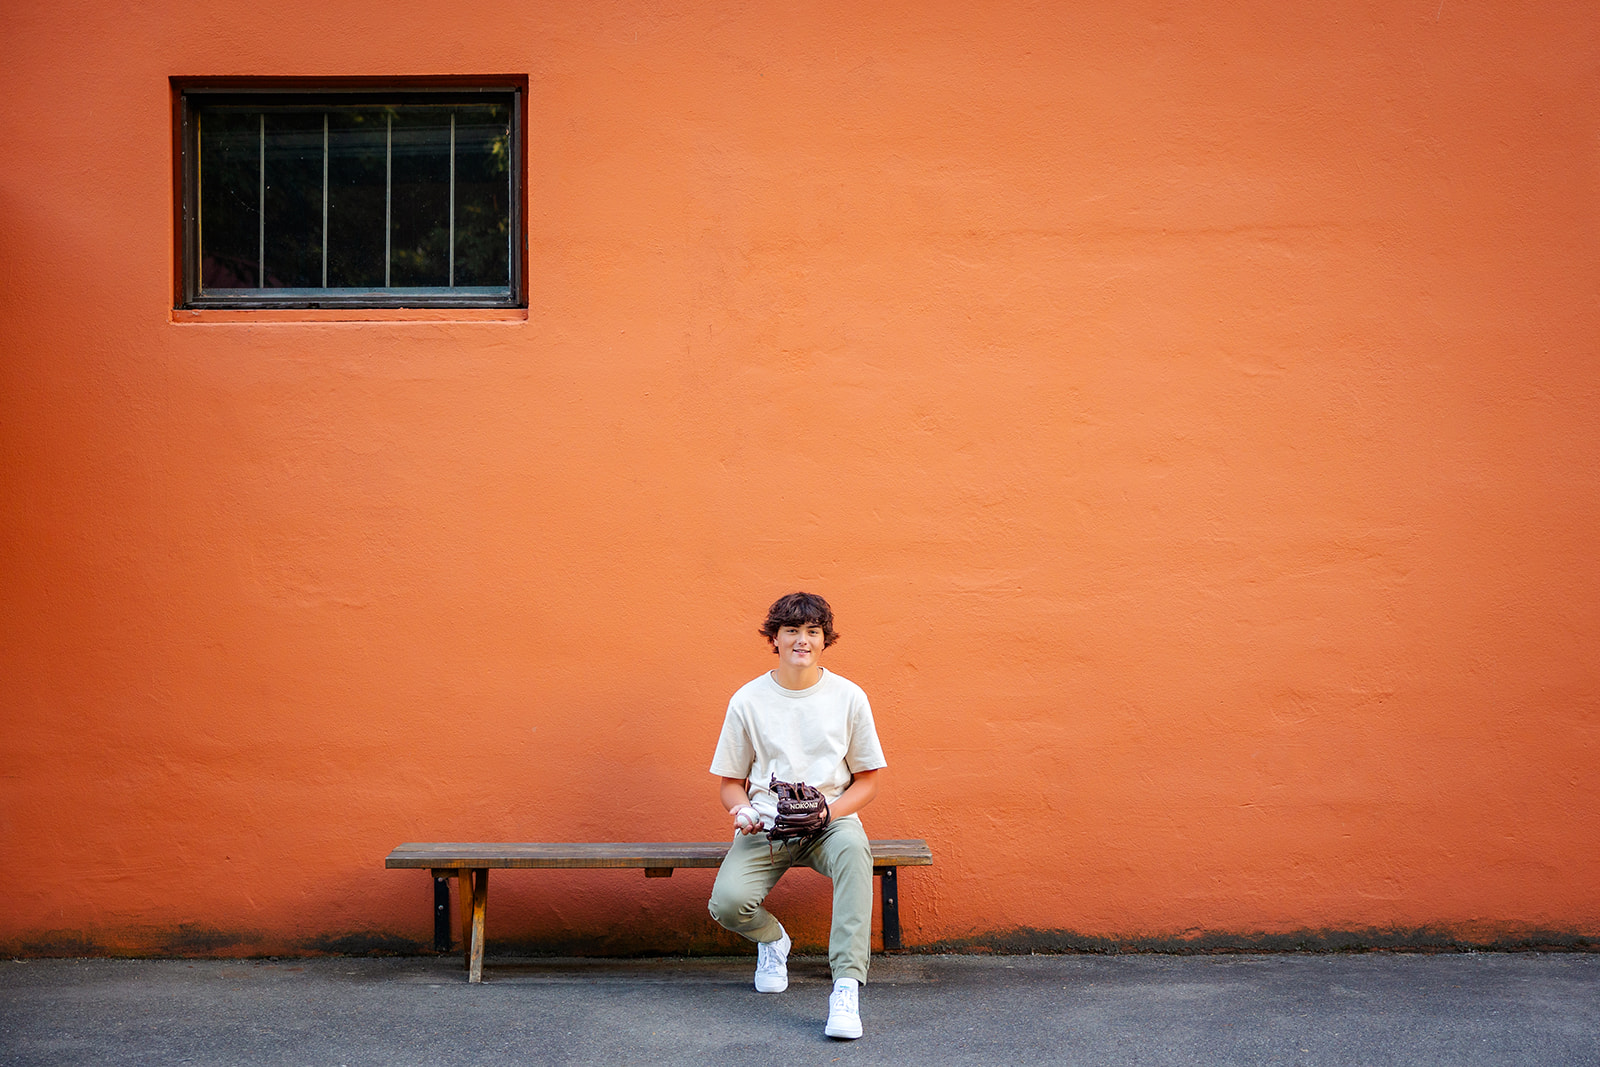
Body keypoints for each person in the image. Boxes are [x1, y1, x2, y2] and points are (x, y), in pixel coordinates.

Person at [707, 591, 887, 1040]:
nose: (802, 641)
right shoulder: (748, 700)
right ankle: (772, 940)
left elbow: (868, 781)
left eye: (812, 632)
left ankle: (846, 988)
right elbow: (730, 782)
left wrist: (829, 812)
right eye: (792, 631)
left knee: (854, 853)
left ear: (825, 640)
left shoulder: (849, 697)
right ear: (775, 638)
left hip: (831, 820)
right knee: (727, 904)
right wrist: (742, 809)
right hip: (769, 825)